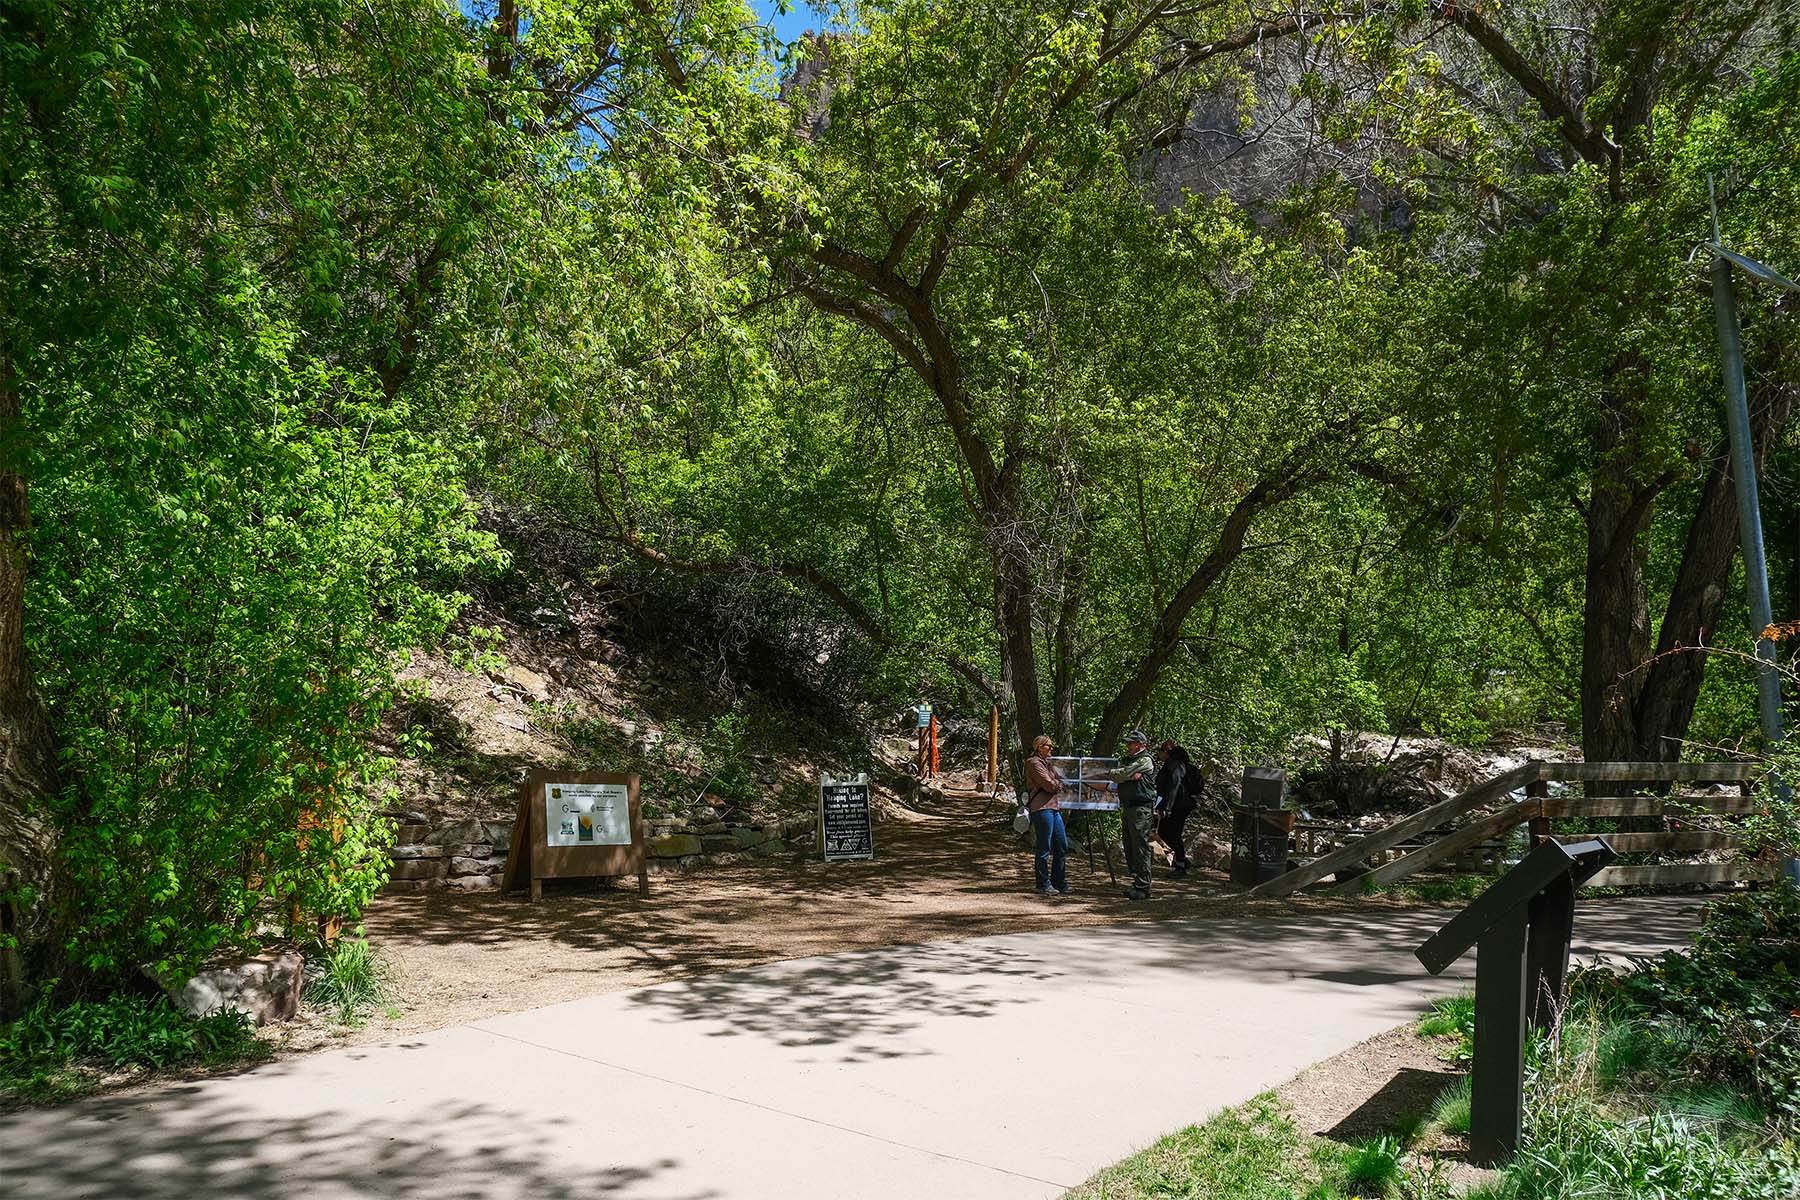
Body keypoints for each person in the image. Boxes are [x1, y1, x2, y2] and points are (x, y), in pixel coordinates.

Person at [1101, 730, 1158, 901]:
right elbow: (1124, 775)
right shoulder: (1130, 760)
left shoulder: (1145, 760)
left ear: (1140, 744)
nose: (1128, 746)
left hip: (1141, 809)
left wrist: (1121, 774)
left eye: (1131, 743)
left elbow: (1122, 774)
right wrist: (1125, 775)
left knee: (1140, 846)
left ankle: (1143, 886)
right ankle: (1137, 882)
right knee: (1130, 845)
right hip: (1129, 807)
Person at [1022, 734, 1070, 896]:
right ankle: (1043, 884)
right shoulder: (1033, 763)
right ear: (1039, 747)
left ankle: (1059, 882)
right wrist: (1057, 784)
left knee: (1061, 845)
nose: (1051, 748)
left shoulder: (1048, 764)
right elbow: (1050, 785)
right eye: (1048, 745)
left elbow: (1057, 781)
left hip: (1054, 808)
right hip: (1042, 808)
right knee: (1044, 846)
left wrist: (1056, 783)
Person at [1155, 742, 1196, 877]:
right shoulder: (1169, 765)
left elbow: (1173, 786)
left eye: (1160, 751)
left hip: (1179, 806)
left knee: (1173, 834)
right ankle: (1182, 860)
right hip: (1174, 806)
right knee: (1164, 832)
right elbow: (1163, 789)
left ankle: (1181, 866)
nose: (1158, 754)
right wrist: (1159, 805)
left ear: (1166, 752)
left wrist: (1168, 807)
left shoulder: (1176, 766)